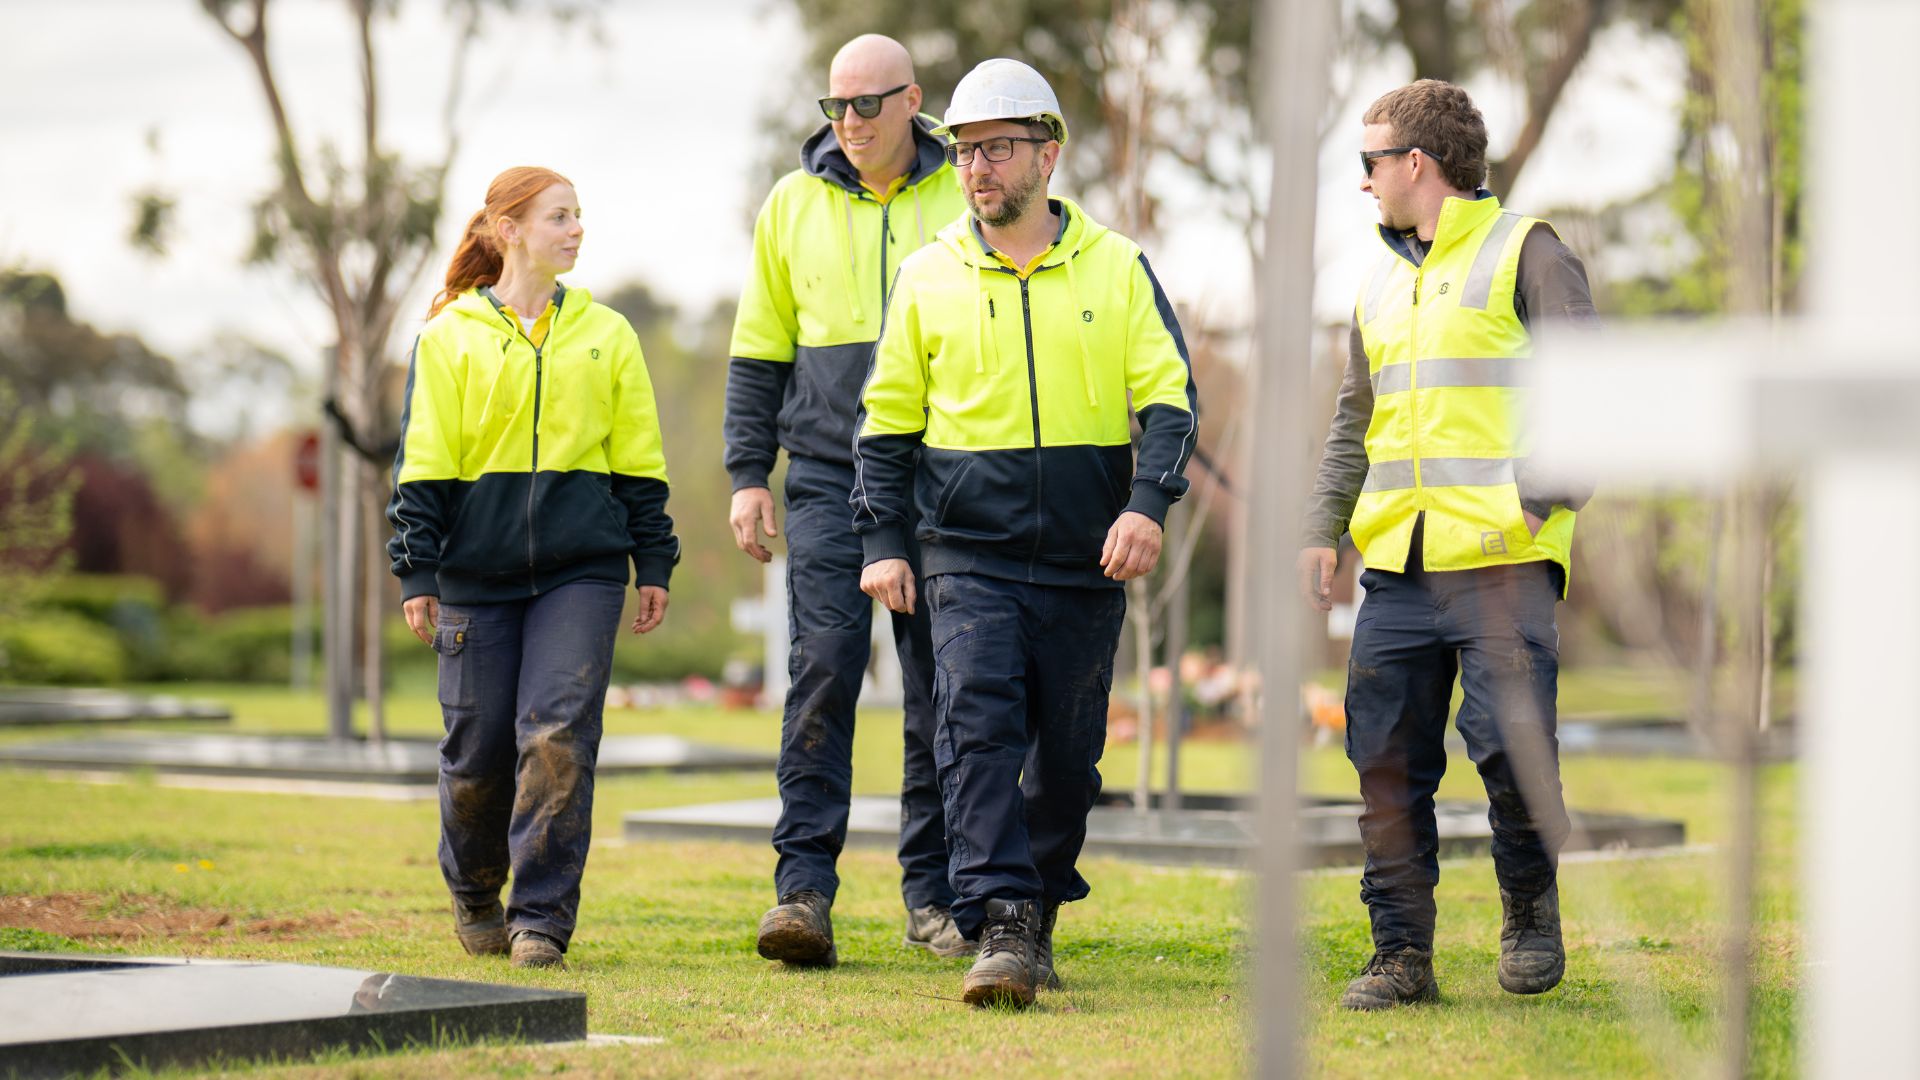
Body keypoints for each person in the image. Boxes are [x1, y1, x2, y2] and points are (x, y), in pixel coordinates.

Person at [852, 58, 1197, 1008]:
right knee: (976, 730)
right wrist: (884, 541)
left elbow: (1170, 404)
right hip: (965, 556)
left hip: (1089, 559)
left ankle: (1034, 909)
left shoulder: (1119, 267)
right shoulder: (927, 277)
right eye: (965, 151)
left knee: (1066, 762)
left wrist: (1146, 506)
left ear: (1049, 154)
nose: (976, 169)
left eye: (998, 148)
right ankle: (1000, 922)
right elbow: (884, 428)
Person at [1296, 79, 1598, 1010]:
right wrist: (1323, 529)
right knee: (1384, 763)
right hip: (1395, 569)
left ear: (1416, 163)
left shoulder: (1528, 253)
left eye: (1371, 162)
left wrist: (1542, 498)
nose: (1364, 183)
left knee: (1511, 753)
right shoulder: (1378, 280)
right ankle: (1401, 956)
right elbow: (1356, 420)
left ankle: (1528, 909)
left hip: (1503, 558)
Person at [387, 165, 679, 971]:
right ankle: (476, 891)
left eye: (580, 216)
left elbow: (640, 464)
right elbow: (424, 465)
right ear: (508, 229)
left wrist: (651, 560)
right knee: (476, 755)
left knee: (558, 737)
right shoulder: (448, 339)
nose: (576, 229)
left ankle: (541, 917)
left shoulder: (608, 334)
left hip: (580, 574)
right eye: (559, 217)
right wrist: (418, 573)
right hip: (474, 579)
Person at [724, 34, 971, 966]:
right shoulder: (792, 204)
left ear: (913, 101)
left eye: (868, 105)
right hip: (827, 475)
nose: (851, 124)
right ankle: (803, 895)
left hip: (940, 475)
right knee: (823, 667)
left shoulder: (963, 191)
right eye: (835, 107)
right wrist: (750, 474)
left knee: (939, 684)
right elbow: (758, 352)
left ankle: (933, 897)